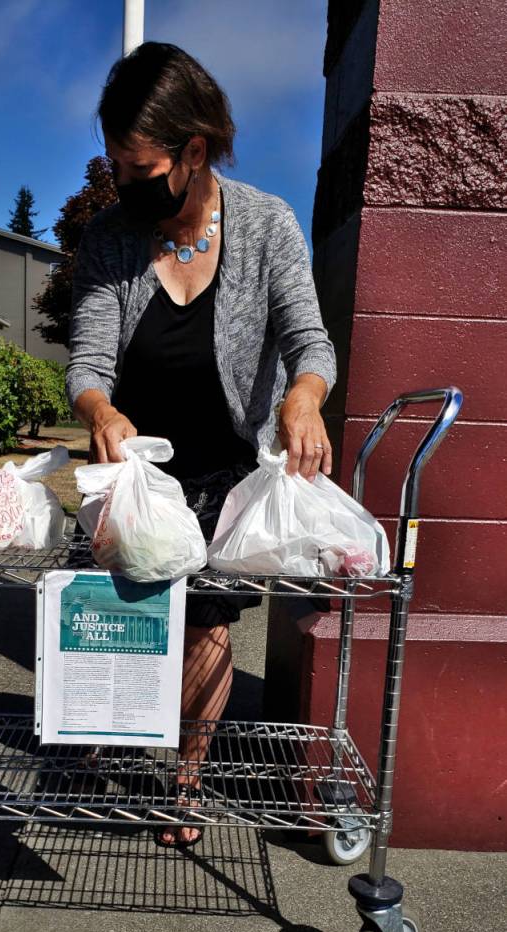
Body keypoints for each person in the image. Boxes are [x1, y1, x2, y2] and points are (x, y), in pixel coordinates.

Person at [66, 42, 337, 848]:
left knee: (205, 622)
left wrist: (303, 397)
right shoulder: (113, 238)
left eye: (138, 168)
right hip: (134, 467)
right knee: (111, 608)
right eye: (115, 167)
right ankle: (98, 739)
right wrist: (98, 411)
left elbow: (309, 341)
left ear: (193, 152)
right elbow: (87, 360)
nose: (125, 185)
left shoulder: (266, 224)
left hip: (223, 461)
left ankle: (187, 776)